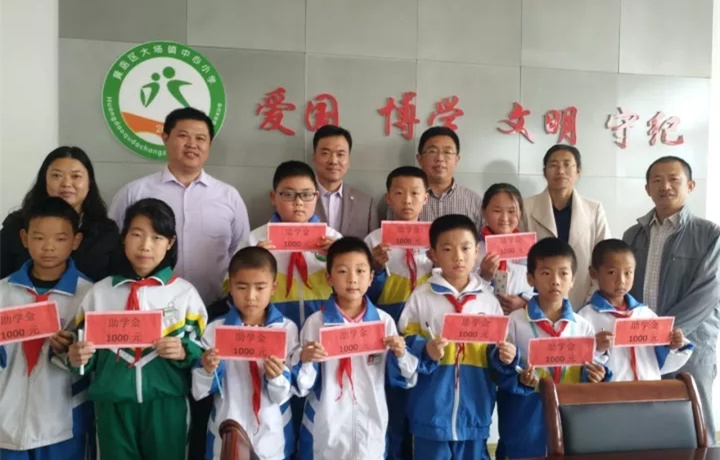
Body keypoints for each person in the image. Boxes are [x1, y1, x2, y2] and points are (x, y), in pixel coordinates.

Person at [67, 198, 207, 460]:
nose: (145, 246)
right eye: (136, 234)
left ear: (170, 243)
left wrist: (184, 351)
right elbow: (83, 355)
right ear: (124, 237)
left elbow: (205, 356)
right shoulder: (100, 293)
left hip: (166, 407)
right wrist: (77, 358)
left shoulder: (185, 294)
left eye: (157, 237)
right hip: (113, 408)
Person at [398, 214, 521, 460]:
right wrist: (426, 350)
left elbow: (497, 349)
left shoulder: (488, 301)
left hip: (475, 407)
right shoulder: (421, 297)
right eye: (447, 249)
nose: (458, 257)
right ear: (433, 254)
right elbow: (404, 343)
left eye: (466, 248)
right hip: (430, 409)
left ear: (477, 252)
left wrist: (504, 356)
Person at [623, 156, 720, 444]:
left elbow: (708, 292)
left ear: (690, 185)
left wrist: (665, 332)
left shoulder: (710, 234)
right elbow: (622, 290)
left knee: (697, 424)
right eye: (657, 180)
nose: (665, 186)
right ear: (647, 189)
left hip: (690, 345)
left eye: (674, 179)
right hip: (642, 347)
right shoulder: (633, 235)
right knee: (647, 424)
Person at [109, 107, 250, 304]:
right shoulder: (135, 193)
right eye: (183, 136)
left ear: (209, 144)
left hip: (217, 306)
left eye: (200, 138)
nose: (192, 144)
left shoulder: (229, 196)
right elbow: (112, 245)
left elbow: (242, 251)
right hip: (149, 306)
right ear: (165, 138)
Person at [293, 237, 416, 460]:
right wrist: (306, 359)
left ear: (371, 277)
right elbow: (302, 385)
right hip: (325, 424)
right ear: (329, 277)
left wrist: (400, 353)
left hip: (371, 421)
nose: (352, 279)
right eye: (342, 271)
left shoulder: (383, 322)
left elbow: (406, 378)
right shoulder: (316, 323)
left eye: (360, 271)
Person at [496, 237, 611, 459]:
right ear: (530, 278)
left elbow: (589, 373)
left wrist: (597, 376)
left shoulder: (583, 327)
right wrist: (516, 374)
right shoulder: (514, 322)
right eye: (546, 273)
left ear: (573, 279)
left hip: (569, 417)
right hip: (525, 416)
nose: (555, 281)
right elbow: (500, 371)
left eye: (563, 273)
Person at [0, 198, 94, 459]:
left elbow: (98, 362)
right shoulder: (3, 292)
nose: (49, 247)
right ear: (24, 238)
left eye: (60, 239)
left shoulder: (90, 296)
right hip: (5, 422)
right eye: (39, 238)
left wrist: (72, 351)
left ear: (76, 241)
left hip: (64, 423)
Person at [193, 247, 299, 460]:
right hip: (227, 427)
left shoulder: (286, 329)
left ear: (274, 287)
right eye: (242, 287)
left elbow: (285, 393)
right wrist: (207, 369)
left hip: (273, 431)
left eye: (260, 288)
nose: (250, 297)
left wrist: (276, 376)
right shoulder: (215, 330)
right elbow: (199, 391)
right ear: (230, 287)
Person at [364, 166, 432, 460]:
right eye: (400, 193)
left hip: (425, 334)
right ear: (388, 198)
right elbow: (361, 297)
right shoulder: (374, 241)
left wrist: (438, 263)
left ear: (426, 198)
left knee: (422, 405)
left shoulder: (437, 239)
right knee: (391, 407)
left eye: (415, 193)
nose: (407, 200)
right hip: (388, 335)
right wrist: (376, 268)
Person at [236, 160, 342, 329]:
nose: (298, 202)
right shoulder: (255, 240)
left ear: (316, 196)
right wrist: (253, 263)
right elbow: (231, 289)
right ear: (273, 197)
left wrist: (340, 261)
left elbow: (353, 287)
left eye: (306, 195)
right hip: (273, 328)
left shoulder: (333, 239)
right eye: (288, 195)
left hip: (322, 327)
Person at [578, 239, 692, 381]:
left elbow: (661, 359)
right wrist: (596, 348)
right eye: (612, 272)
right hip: (612, 392)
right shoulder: (585, 317)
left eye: (628, 273)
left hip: (649, 390)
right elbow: (574, 364)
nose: (621, 281)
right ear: (594, 273)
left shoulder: (644, 314)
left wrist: (672, 344)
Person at [1, 146, 120, 282]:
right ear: (44, 180)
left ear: (89, 183)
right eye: (57, 176)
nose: (66, 183)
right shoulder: (16, 225)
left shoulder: (106, 231)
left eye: (76, 176)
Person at [521, 144, 611, 309]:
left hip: (583, 299)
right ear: (544, 172)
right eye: (553, 165)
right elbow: (518, 260)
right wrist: (525, 297)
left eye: (567, 164)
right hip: (535, 301)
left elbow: (604, 258)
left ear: (578, 171)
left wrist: (592, 299)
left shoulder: (594, 209)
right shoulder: (526, 207)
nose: (560, 171)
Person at [389, 127, 483, 230]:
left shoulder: (474, 201)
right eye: (432, 151)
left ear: (457, 159)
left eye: (447, 152)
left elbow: (482, 239)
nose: (440, 158)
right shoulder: (400, 199)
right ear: (420, 159)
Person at [312, 125, 379, 239]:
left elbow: (373, 246)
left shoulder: (365, 204)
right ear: (314, 157)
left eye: (340, 154)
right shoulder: (299, 199)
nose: (333, 161)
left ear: (348, 160)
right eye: (326, 153)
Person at [478, 183, 533, 314]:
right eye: (497, 211)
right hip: (483, 314)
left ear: (520, 213)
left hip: (520, 317)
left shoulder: (530, 249)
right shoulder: (472, 248)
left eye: (512, 211)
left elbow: (541, 283)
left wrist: (524, 302)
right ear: (483, 212)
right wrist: (484, 277)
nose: (504, 218)